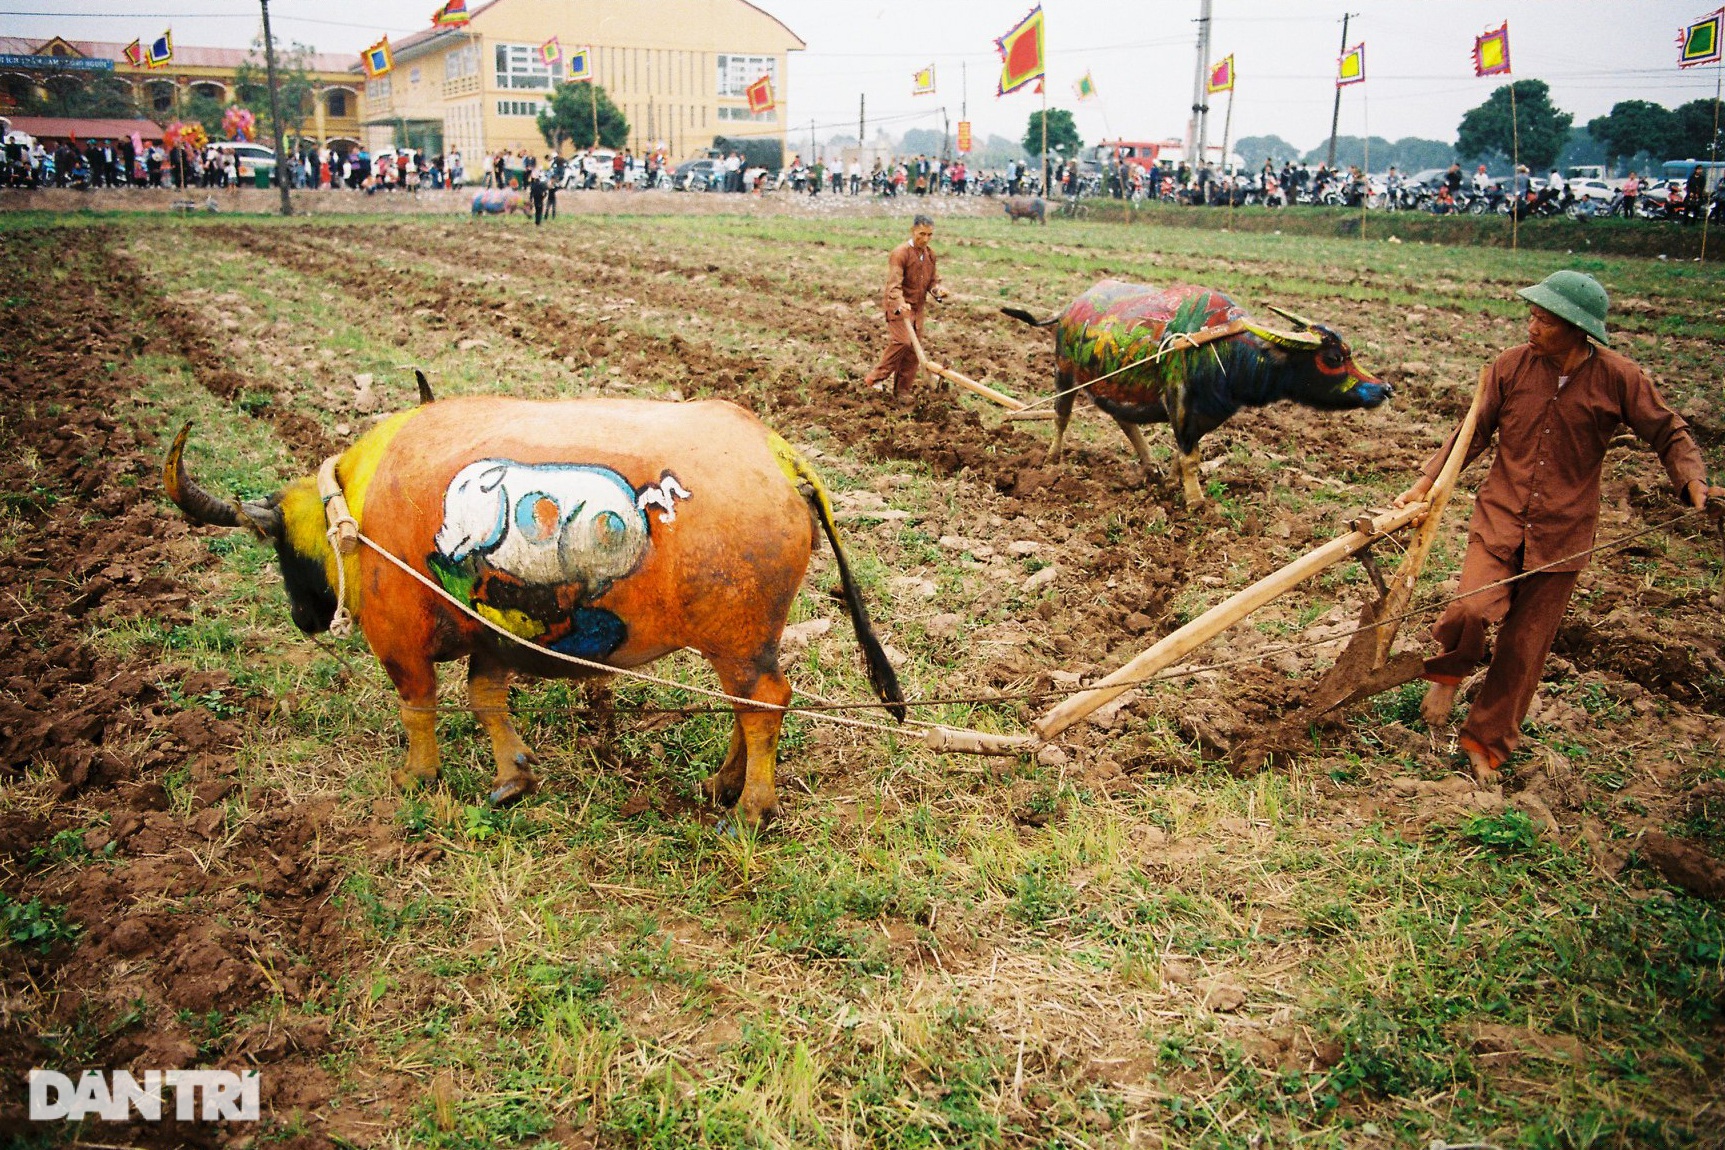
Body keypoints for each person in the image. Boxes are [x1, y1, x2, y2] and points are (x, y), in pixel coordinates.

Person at [1393, 271, 1718, 786]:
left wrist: (1694, 483)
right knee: (1471, 607)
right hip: (1500, 517)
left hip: (1562, 534)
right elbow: (1471, 432)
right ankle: (1449, 672)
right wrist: (1425, 484)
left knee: (1523, 649)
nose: (1532, 325)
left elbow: (1667, 430)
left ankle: (1484, 743)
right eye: (1532, 315)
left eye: (1544, 319)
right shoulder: (1509, 367)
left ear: (1576, 328)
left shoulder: (1619, 378)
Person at [861, 214, 946, 402]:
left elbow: (932, 281)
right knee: (903, 342)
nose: (925, 239)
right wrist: (900, 303)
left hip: (918, 308)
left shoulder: (930, 255)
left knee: (913, 352)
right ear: (912, 230)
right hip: (898, 306)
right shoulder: (901, 253)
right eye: (921, 234)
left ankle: (902, 390)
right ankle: (874, 379)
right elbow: (893, 284)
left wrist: (937, 290)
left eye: (929, 235)